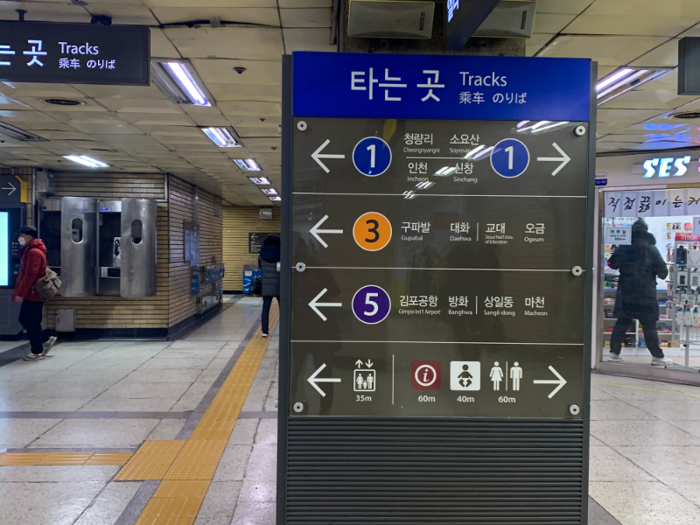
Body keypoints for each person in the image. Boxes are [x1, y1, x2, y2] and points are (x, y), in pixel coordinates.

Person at [608, 220, 673, 366]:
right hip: (645, 292)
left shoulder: (623, 247)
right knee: (649, 325)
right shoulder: (651, 249)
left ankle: (613, 354)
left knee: (622, 323)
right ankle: (657, 356)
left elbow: (611, 263)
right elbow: (663, 272)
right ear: (646, 231)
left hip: (625, 292)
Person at [12, 226, 57, 361]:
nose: (19, 238)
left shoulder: (34, 252)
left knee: (30, 321)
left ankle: (37, 351)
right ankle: (44, 339)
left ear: (29, 237)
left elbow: (30, 274)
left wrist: (21, 292)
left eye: (22, 235)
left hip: (33, 293)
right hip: (30, 293)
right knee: (26, 319)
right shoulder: (29, 251)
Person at [258, 234, 280, 337]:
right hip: (280, 285)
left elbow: (260, 267)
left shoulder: (262, 254)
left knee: (266, 308)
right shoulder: (282, 253)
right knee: (283, 308)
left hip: (266, 285)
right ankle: (284, 329)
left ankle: (265, 331)